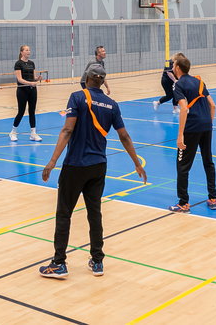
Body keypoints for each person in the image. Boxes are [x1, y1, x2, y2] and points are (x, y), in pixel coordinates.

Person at [39, 64, 146, 278]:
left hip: (76, 165)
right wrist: (136, 162)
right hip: (98, 166)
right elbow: (124, 136)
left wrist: (52, 162)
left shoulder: (77, 97)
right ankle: (97, 261)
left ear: (87, 78)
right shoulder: (112, 105)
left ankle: (59, 263)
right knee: (94, 213)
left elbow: (68, 129)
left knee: (64, 214)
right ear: (101, 81)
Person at [169, 55, 216, 213]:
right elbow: (212, 105)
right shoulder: (200, 82)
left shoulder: (178, 85)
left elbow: (184, 108)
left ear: (177, 68)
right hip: (206, 126)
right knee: (208, 162)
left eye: (173, 65)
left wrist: (180, 134)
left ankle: (183, 203)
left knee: (182, 166)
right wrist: (208, 123)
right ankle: (212, 198)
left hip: (191, 128)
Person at [9, 45, 43, 142]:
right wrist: (30, 83)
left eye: (29, 50)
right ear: (22, 52)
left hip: (32, 90)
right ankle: (13, 132)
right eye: (26, 50)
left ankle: (33, 133)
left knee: (32, 111)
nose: (29, 51)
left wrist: (37, 79)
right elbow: (19, 79)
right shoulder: (18, 64)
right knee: (21, 112)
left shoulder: (32, 63)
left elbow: (33, 77)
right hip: (22, 90)